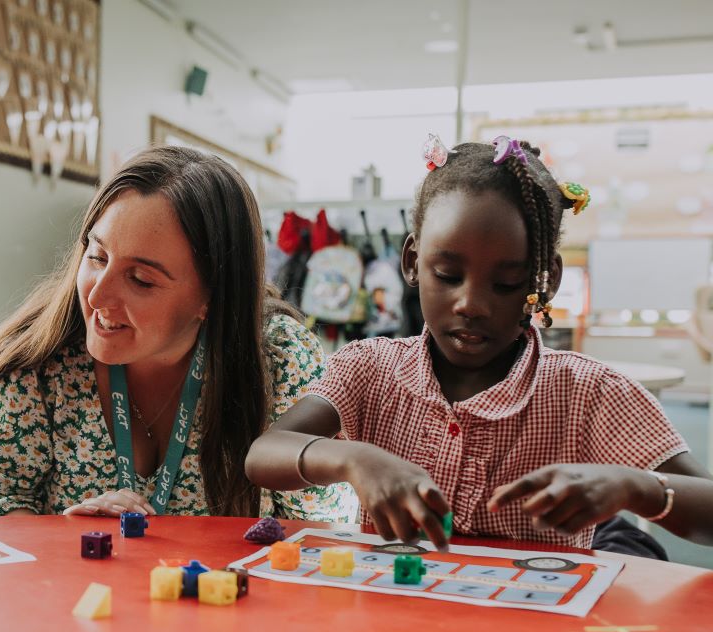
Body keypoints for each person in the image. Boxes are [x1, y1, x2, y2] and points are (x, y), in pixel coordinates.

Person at [246, 135, 713, 552]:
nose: (471, 303)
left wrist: (637, 487)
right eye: (447, 275)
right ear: (412, 261)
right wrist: (352, 459)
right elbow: (264, 455)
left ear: (544, 281)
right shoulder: (369, 367)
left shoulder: (590, 393)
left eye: (507, 283)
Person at [0, 145, 355, 522]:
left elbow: (319, 529)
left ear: (212, 298)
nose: (98, 294)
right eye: (97, 256)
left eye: (141, 279)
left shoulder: (282, 360)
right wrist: (64, 539)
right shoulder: (35, 366)